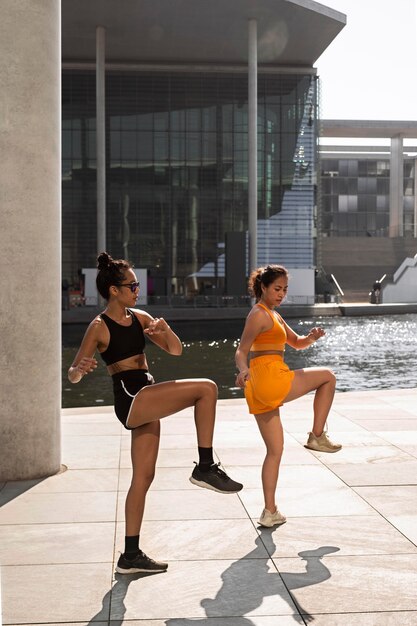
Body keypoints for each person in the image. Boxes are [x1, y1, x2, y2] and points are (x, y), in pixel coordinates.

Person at [68, 252, 243, 575]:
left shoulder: (141, 317)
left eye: (138, 283)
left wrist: (165, 331)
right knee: (206, 388)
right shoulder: (99, 326)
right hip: (132, 397)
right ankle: (205, 467)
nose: (137, 288)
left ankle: (130, 556)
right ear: (113, 291)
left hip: (146, 394)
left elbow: (176, 350)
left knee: (143, 478)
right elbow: (73, 374)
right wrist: (79, 369)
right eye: (131, 285)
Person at [235, 265, 341, 529]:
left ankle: (270, 511)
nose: (281, 294)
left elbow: (297, 343)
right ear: (263, 288)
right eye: (277, 289)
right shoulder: (259, 315)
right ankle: (317, 435)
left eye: (284, 290)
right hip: (269, 376)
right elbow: (241, 350)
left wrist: (312, 338)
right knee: (328, 376)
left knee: (275, 450)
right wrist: (243, 369)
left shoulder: (274, 315)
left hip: (259, 386)